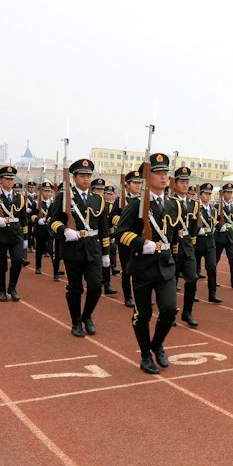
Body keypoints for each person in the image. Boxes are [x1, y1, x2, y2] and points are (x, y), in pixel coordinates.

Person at [115, 154, 181, 374]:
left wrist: (175, 260)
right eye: (158, 173)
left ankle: (157, 344)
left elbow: (175, 236)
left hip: (165, 265)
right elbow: (121, 233)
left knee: (170, 309)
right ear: (148, 176)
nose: (163, 177)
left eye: (166, 173)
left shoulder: (173, 205)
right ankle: (145, 355)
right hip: (143, 266)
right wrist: (141, 243)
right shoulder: (137, 204)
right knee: (142, 315)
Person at [47, 158, 111, 338]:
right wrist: (63, 229)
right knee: (75, 288)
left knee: (96, 286)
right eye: (82, 175)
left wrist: (106, 253)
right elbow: (52, 220)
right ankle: (76, 321)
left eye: (88, 175)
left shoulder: (98, 199)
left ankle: (87, 316)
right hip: (73, 249)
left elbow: (104, 227)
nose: (86, 179)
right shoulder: (64, 197)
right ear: (74, 177)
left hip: (93, 248)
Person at [0, 166, 29, 302]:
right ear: (0, 180)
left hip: (16, 234)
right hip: (0, 233)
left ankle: (12, 287)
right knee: (1, 264)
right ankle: (2, 290)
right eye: (7, 178)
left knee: (17, 260)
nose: (10, 181)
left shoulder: (20, 198)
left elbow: (23, 219)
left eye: (12, 179)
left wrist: (26, 240)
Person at [170, 166, 200, 327]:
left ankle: (187, 312)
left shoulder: (193, 205)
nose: (184, 184)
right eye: (182, 181)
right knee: (171, 282)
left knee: (192, 279)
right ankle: (171, 312)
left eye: (187, 181)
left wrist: (191, 246)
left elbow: (194, 227)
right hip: (173, 247)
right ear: (175, 183)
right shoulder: (169, 202)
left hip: (187, 247)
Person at [116, 170, 143, 308]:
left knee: (142, 270)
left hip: (140, 239)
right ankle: (128, 296)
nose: (138, 185)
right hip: (125, 239)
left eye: (140, 183)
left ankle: (141, 296)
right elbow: (112, 217)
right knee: (127, 269)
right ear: (127, 185)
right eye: (135, 183)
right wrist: (122, 219)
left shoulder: (144, 200)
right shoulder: (121, 200)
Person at [195, 182, 223, 303]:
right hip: (197, 242)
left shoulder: (212, 209)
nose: (208, 196)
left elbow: (213, 221)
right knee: (195, 270)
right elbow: (188, 223)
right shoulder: (195, 207)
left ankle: (212, 294)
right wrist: (197, 230)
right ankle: (193, 293)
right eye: (205, 193)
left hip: (210, 241)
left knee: (212, 268)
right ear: (200, 194)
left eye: (209, 194)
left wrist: (219, 226)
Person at [213, 182, 233, 289]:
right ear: (222, 193)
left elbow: (231, 219)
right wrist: (219, 226)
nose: (229, 195)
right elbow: (213, 219)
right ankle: (213, 279)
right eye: (227, 192)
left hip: (229, 234)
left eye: (230, 193)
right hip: (219, 235)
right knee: (215, 259)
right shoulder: (216, 206)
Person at [32, 181, 56, 275]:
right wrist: (38, 220)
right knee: (39, 249)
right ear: (41, 192)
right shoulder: (37, 202)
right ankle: (38, 266)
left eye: (49, 191)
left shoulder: (54, 203)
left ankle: (56, 268)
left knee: (52, 250)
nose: (47, 193)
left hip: (50, 229)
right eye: (45, 191)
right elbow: (31, 215)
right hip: (40, 229)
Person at [100, 184, 119, 296]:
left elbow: (110, 222)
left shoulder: (110, 206)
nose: (109, 196)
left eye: (111, 194)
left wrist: (112, 235)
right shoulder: (96, 204)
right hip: (93, 236)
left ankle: (107, 285)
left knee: (106, 260)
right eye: (107, 193)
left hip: (106, 234)